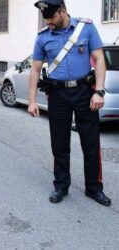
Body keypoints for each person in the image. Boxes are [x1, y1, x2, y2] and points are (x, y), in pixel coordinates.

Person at [29, 0, 111, 206]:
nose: (48, 22)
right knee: (59, 143)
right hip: (57, 94)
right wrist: (31, 101)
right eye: (45, 18)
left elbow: (99, 59)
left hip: (85, 91)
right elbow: (35, 69)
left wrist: (99, 91)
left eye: (51, 17)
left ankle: (94, 188)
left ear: (63, 11)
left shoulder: (86, 28)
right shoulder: (43, 37)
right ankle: (61, 186)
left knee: (91, 142)